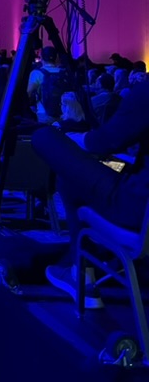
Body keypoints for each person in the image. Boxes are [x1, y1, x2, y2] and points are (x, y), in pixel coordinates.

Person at [34, 80, 149, 308]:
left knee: (44, 137)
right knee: (73, 173)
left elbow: (103, 142)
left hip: (133, 208)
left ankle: (81, 274)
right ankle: (81, 267)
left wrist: (72, 140)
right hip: (138, 203)